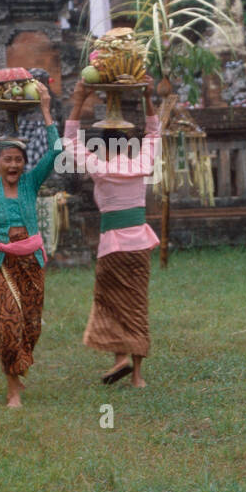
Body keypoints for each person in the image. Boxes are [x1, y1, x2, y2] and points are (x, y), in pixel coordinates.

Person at [0, 82, 58, 409]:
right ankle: (12, 387)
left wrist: (45, 108)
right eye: (7, 160)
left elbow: (57, 152)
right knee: (8, 323)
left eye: (18, 160)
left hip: (31, 262)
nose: (13, 165)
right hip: (0, 264)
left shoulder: (31, 182)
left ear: (24, 163)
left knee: (31, 326)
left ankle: (20, 365)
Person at [63, 76, 159, 387]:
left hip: (113, 245)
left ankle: (119, 358)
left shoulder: (100, 168)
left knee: (109, 301)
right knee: (136, 303)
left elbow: (69, 142)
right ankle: (138, 376)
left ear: (102, 148)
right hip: (140, 242)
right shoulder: (142, 163)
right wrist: (147, 97)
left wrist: (79, 100)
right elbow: (155, 133)